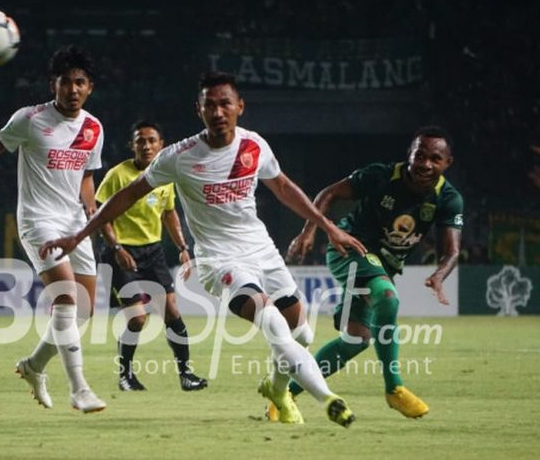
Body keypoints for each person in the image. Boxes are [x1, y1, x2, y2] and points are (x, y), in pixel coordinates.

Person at [40, 71, 368, 427]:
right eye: (209, 105)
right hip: (219, 260)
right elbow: (125, 196)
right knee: (271, 320)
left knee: (301, 333)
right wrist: (81, 234)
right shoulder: (178, 156)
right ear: (198, 111)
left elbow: (285, 187)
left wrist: (328, 228)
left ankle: (277, 389)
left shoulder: (254, 145)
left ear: (239, 107)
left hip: (263, 250)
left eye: (225, 103)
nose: (218, 111)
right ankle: (330, 400)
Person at [0, 45, 106, 413]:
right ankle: (79, 389)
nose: (73, 89)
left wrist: (90, 204)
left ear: (90, 87)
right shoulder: (30, 119)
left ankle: (33, 366)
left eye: (80, 83)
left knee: (84, 310)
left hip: (76, 223)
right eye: (66, 82)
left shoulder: (94, 127)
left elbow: (87, 175)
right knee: (65, 298)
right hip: (38, 219)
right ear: (53, 85)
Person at [284, 126, 463, 419]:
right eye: (420, 155)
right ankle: (395, 388)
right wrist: (308, 232)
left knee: (356, 340)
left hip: (384, 264)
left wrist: (440, 274)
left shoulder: (448, 198)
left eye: (435, 158)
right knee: (388, 299)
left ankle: (285, 394)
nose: (425, 164)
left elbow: (452, 251)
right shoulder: (380, 176)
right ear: (410, 154)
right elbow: (329, 193)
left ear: (447, 164)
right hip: (350, 246)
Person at [96, 120, 207, 391]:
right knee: (137, 319)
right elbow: (100, 215)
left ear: (161, 145)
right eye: (140, 140)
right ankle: (125, 376)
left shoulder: (164, 176)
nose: (146, 145)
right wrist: (117, 248)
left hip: (152, 252)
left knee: (172, 313)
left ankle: (186, 375)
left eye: (151, 140)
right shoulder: (117, 175)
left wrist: (183, 248)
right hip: (121, 253)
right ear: (132, 145)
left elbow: (170, 213)